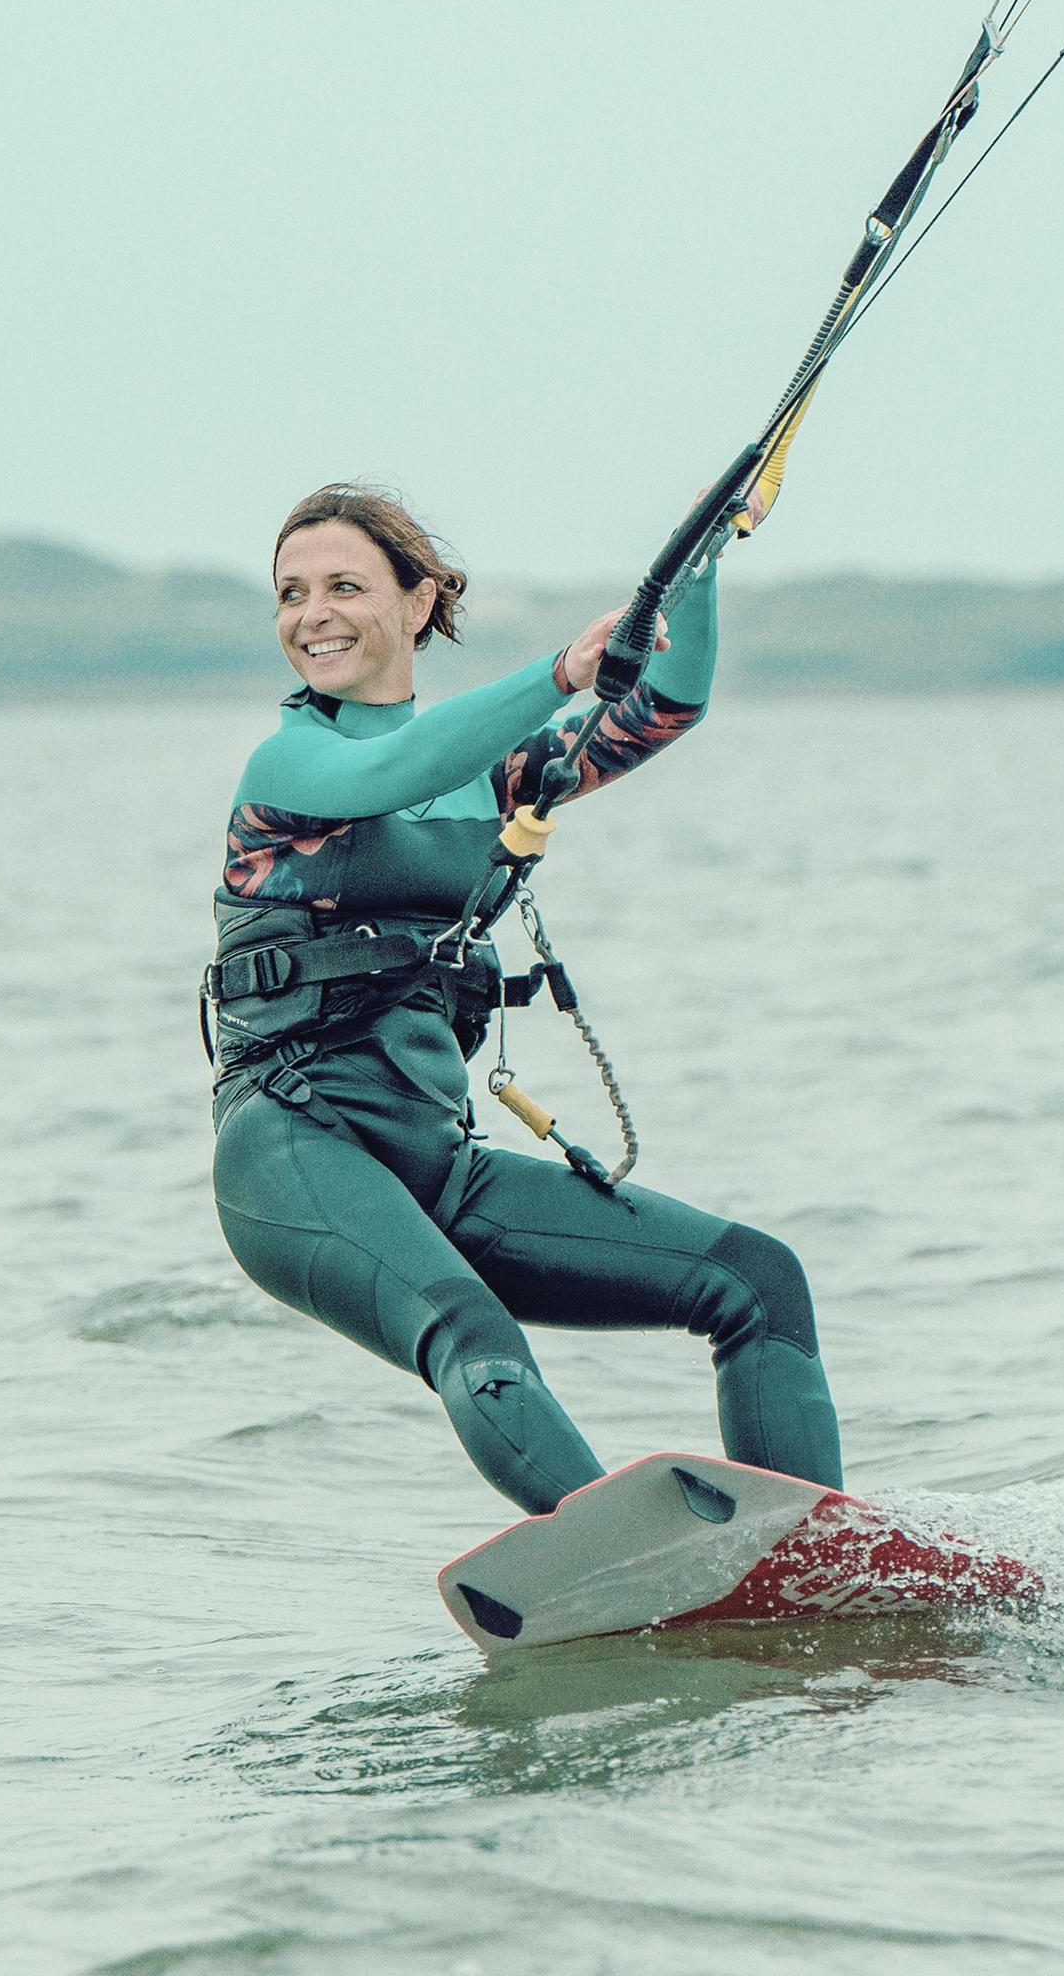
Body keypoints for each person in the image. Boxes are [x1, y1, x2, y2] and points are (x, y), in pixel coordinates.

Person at [203, 482, 838, 1514]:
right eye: (291, 593)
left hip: (435, 1160)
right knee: (474, 1335)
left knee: (757, 1282)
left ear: (419, 600)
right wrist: (559, 673)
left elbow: (665, 705)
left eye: (344, 586)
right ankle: (620, 1561)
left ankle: (809, 1557)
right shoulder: (288, 765)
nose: (311, 614)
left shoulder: (499, 772)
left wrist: (704, 560)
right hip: (293, 1148)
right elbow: (398, 765)